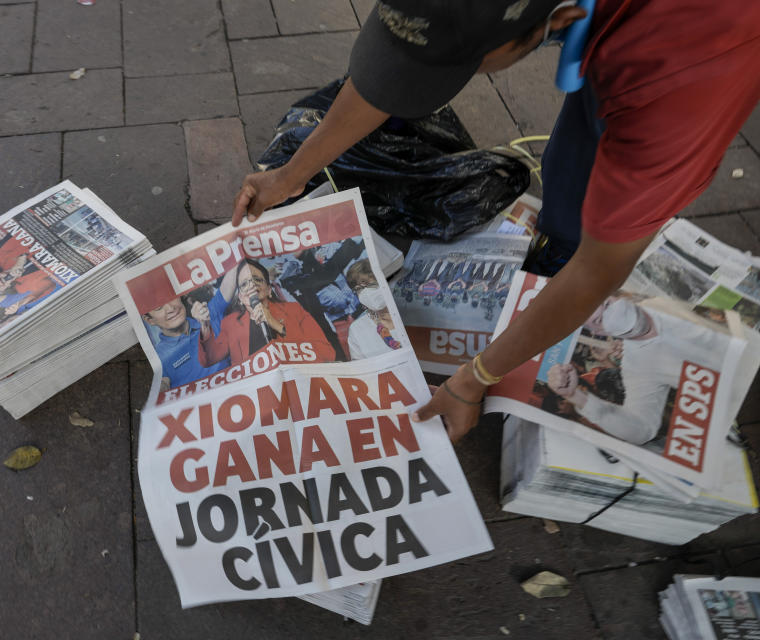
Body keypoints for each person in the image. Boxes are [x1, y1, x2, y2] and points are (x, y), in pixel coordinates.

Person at [231, 0, 760, 441]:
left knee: (589, 218)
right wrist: (291, 175)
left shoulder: (670, 88)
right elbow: (384, 81)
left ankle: (558, 255)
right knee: (570, 166)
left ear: (559, 18)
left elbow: (599, 271)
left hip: (694, 50)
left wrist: (473, 378)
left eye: (456, 64)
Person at [545, 294, 730, 445]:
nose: (613, 314)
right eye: (599, 320)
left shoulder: (662, 297)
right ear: (600, 332)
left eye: (607, 304)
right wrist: (576, 397)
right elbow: (641, 430)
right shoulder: (636, 366)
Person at [199, 259, 337, 366]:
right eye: (244, 284)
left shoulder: (294, 310)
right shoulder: (230, 323)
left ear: (269, 290)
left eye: (257, 280)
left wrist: (274, 323)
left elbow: (327, 353)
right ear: (240, 297)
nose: (252, 285)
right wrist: (205, 327)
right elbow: (210, 359)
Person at [143, 296, 229, 391]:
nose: (171, 309)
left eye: (171, 298)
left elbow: (229, 285)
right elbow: (162, 386)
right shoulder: (159, 356)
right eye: (158, 307)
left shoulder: (209, 315)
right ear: (149, 320)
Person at [345, 259, 403, 360]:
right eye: (358, 289)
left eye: (367, 283)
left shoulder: (409, 314)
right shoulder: (357, 330)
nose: (365, 292)